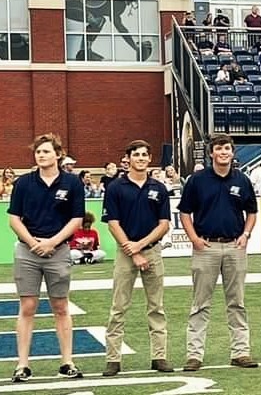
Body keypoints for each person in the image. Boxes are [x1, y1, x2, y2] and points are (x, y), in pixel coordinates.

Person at [7, 133, 86, 382]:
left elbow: (76, 219)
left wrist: (52, 242)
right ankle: (22, 365)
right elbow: (14, 218)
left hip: (58, 251)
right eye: (38, 152)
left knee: (61, 306)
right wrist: (33, 243)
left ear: (58, 155)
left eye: (46, 151)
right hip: (27, 251)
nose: (41, 155)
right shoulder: (24, 183)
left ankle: (67, 362)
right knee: (27, 306)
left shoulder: (73, 183)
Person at [178, 133, 259, 371]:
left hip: (235, 247)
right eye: (219, 149)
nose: (224, 153)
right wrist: (194, 238)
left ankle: (241, 352)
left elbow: (252, 212)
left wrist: (245, 235)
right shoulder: (197, 180)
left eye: (227, 149)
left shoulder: (242, 180)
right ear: (211, 153)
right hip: (206, 247)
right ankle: (194, 355)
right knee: (200, 303)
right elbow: (184, 212)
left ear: (233, 153)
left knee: (237, 303)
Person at [101, 140, 173, 376]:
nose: (141, 158)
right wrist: (132, 250)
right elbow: (113, 223)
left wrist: (140, 247)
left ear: (149, 159)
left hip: (151, 250)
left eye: (144, 154)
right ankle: (113, 359)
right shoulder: (115, 187)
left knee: (156, 307)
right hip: (125, 253)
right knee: (119, 307)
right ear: (128, 158)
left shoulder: (159, 188)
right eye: (136, 155)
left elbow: (164, 225)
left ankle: (159, 356)